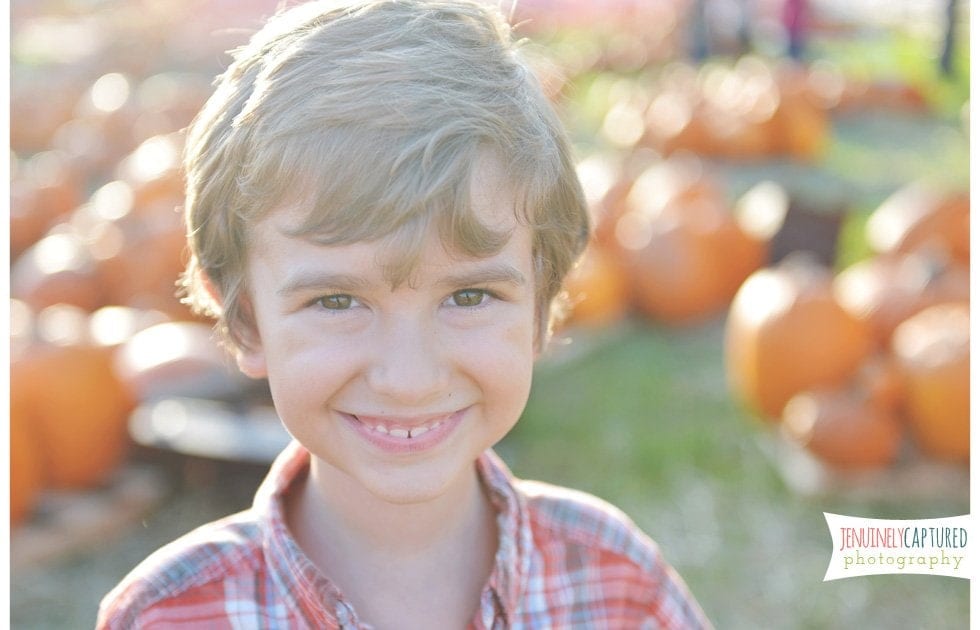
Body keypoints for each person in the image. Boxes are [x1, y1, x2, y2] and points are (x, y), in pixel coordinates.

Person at [97, 1, 711, 627]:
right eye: (337, 301)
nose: (408, 378)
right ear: (246, 319)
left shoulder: (618, 587)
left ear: (541, 305)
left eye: (469, 296)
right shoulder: (168, 616)